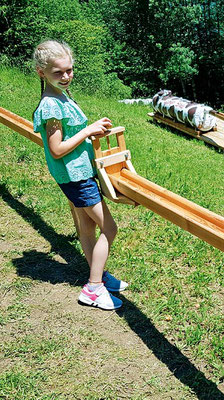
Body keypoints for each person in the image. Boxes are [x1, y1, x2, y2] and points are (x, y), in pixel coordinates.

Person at [33, 40, 127, 310]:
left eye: (69, 70)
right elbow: (57, 149)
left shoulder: (63, 96)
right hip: (76, 177)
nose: (65, 77)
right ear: (42, 72)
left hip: (78, 174)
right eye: (58, 73)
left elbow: (69, 136)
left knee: (87, 229)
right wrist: (87, 131)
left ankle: (98, 274)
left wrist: (92, 131)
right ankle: (94, 288)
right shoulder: (51, 106)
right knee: (110, 228)